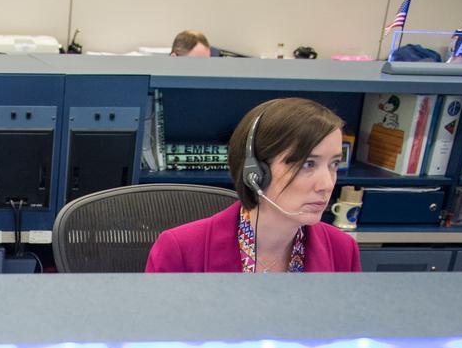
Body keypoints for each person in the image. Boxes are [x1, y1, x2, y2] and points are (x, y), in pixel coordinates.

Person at [146, 98, 360, 273]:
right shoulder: (181, 249)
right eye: (308, 164)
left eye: (333, 164)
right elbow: (154, 324)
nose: (326, 184)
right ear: (256, 173)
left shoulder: (342, 250)